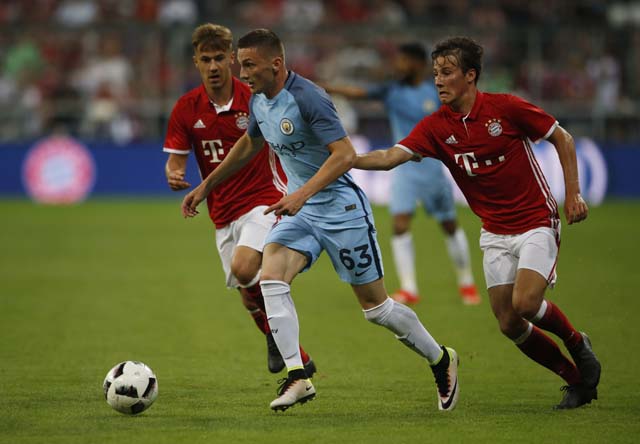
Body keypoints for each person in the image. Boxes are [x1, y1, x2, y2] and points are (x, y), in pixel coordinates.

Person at [181, 28, 460, 413]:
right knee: (271, 277)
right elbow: (250, 143)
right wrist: (207, 184)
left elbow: (344, 154)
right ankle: (298, 375)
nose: (240, 73)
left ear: (275, 64)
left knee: (376, 309)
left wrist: (300, 193)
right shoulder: (259, 101)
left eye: (248, 65)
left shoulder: (307, 98)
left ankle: (440, 358)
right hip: (303, 211)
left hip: (342, 211)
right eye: (239, 64)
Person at [353, 36, 601, 410]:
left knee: (526, 302)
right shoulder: (436, 126)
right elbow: (389, 157)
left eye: (447, 72)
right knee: (508, 323)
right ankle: (575, 380)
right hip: (495, 230)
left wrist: (575, 193)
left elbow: (562, 138)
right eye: (436, 73)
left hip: (536, 219)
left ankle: (577, 342)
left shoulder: (506, 109)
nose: (438, 80)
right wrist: (346, 160)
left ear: (470, 76)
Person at [163, 23, 316, 377]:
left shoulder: (256, 99)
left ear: (232, 59)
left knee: (247, 268)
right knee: (246, 289)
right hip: (222, 213)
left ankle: (293, 358)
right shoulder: (186, 108)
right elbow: (176, 156)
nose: (214, 66)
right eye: (206, 59)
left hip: (263, 199)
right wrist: (173, 173)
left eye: (220, 58)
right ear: (196, 63)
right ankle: (288, 348)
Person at [324, 42, 481, 306]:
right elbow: (357, 92)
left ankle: (466, 282)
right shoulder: (391, 90)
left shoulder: (437, 92)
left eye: (403, 61)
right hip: (403, 168)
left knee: (449, 225)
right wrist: (324, 88)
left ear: (418, 64)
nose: (399, 66)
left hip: (433, 169)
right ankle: (409, 288)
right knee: (399, 225)